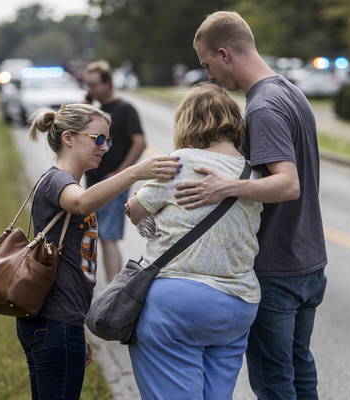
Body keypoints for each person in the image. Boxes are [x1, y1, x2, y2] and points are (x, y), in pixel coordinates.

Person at [175, 11, 328, 400]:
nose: (209, 77)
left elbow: (288, 184)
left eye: (207, 64)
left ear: (224, 54)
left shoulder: (262, 107)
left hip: (278, 267)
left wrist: (226, 186)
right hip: (309, 261)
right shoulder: (290, 91)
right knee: (299, 369)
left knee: (275, 382)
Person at [17, 103, 180, 400]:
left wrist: (77, 329)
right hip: (53, 323)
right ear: (69, 138)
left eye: (109, 140)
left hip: (60, 323)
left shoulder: (67, 182)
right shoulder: (58, 181)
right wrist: (134, 172)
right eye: (99, 139)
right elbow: (82, 203)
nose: (105, 148)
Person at [124, 82, 263, 400]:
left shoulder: (179, 162)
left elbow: (138, 210)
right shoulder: (251, 173)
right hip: (238, 304)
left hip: (179, 302)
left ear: (187, 123)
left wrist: (136, 208)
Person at [84, 60, 146, 283]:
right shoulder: (96, 112)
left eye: (93, 85)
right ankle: (105, 285)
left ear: (107, 82)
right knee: (96, 236)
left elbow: (139, 142)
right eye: (87, 85)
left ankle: (112, 287)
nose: (89, 90)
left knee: (108, 236)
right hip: (93, 181)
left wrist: (121, 173)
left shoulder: (125, 109)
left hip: (112, 182)